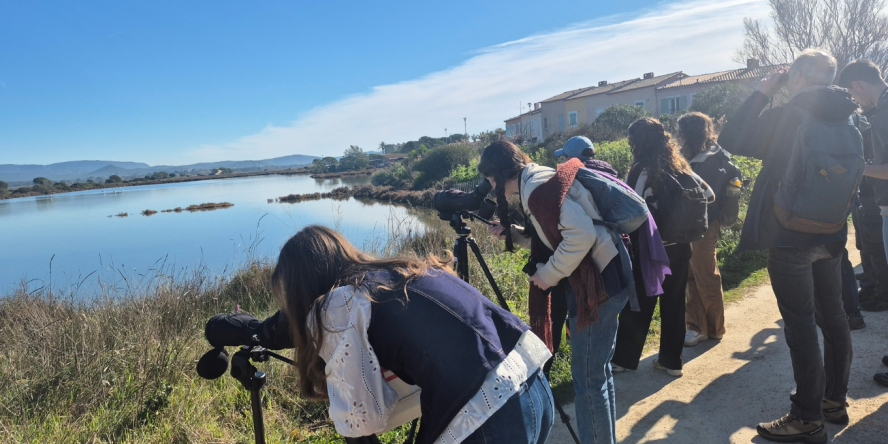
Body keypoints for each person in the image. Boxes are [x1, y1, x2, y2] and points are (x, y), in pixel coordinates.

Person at [272, 225, 554, 444]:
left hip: (486, 413)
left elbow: (360, 421)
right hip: (532, 380)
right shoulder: (405, 270)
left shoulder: (337, 306)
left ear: (300, 289)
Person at [718, 49, 860, 443]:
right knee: (833, 316)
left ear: (796, 77)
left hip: (789, 233)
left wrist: (764, 91)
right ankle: (834, 401)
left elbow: (730, 138)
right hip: (832, 231)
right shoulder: (848, 115)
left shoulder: (788, 116)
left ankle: (806, 418)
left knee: (800, 324)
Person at [480, 140, 632, 444]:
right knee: (597, 375)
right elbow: (556, 236)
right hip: (604, 277)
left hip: (597, 284)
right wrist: (516, 235)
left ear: (496, 173)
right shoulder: (537, 177)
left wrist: (548, 275)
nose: (489, 185)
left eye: (489, 177)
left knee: (588, 381)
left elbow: (581, 235)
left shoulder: (535, 187)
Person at [612, 117, 712, 377]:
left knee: (640, 303)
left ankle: (623, 360)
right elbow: (709, 194)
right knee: (675, 304)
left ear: (637, 141)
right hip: (681, 245)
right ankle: (672, 363)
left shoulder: (641, 169)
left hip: (650, 248)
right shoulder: (680, 167)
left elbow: (629, 206)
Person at [837, 59, 888, 313]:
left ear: (856, 85)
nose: (855, 101)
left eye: (852, 94)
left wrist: (857, 167)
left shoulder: (884, 112)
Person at [676, 112, 730, 345]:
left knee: (705, 275)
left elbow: (705, 197)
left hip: (703, 225)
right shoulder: (709, 155)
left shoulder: (708, 160)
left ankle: (713, 328)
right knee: (691, 275)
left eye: (680, 132)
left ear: (690, 134)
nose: (678, 136)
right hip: (691, 226)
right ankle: (697, 327)